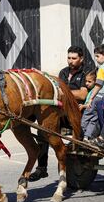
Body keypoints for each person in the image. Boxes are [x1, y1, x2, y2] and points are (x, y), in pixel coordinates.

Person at [29, 46, 89, 182]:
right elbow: (56, 90)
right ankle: (41, 168)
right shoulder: (63, 72)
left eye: (74, 58)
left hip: (78, 113)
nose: (70, 61)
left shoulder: (86, 72)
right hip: (61, 111)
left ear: (81, 59)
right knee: (42, 131)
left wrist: (65, 94)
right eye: (69, 58)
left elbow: (82, 94)